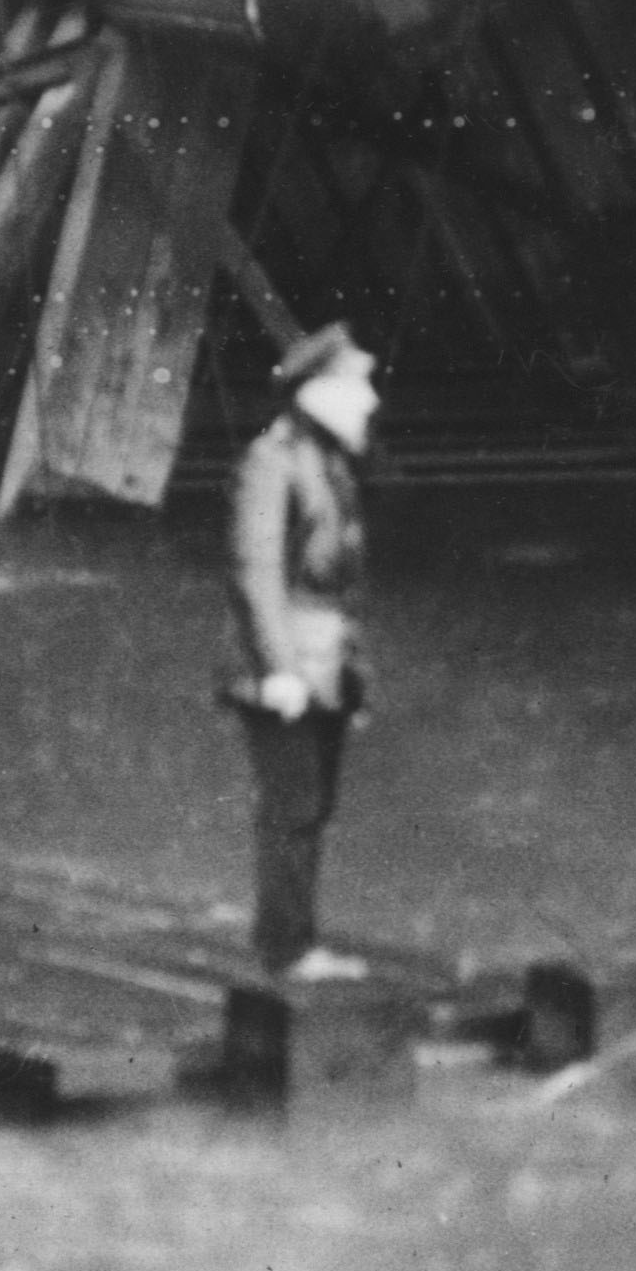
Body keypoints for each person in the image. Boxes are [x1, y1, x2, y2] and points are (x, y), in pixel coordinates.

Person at [222, 321, 380, 977]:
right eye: (359, 385)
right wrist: (279, 670)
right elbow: (255, 568)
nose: (370, 399)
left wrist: (355, 680)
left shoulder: (329, 461)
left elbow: (344, 588)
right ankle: (284, 948)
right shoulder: (273, 460)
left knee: (312, 807)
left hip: (324, 662)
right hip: (284, 662)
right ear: (319, 391)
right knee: (291, 808)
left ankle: (296, 942)